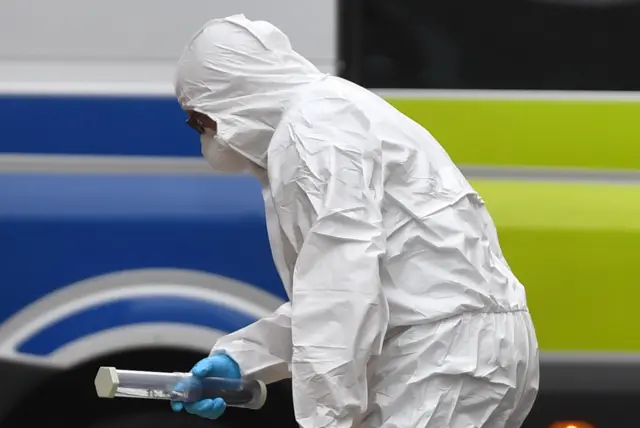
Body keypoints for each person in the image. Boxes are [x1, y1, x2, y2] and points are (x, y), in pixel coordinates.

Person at [171, 14, 539, 428]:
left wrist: (325, 418)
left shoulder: (310, 134)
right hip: (462, 351)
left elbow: (342, 289)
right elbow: (350, 292)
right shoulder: (332, 112)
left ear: (235, 97)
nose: (204, 134)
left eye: (199, 118)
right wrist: (242, 358)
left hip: (440, 359)